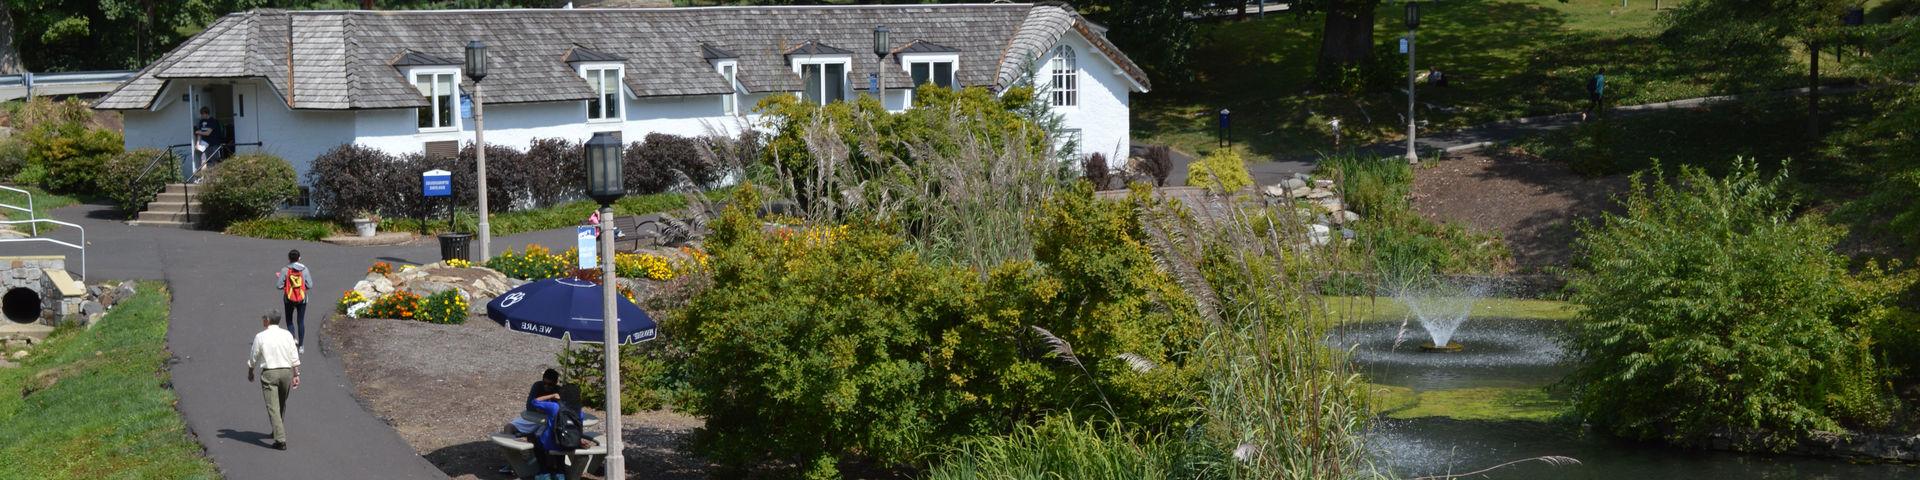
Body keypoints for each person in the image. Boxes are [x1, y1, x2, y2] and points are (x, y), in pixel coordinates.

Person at [246, 311, 300, 451]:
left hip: (270, 373)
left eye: (264, 318)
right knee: (281, 403)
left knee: (273, 407)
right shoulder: (287, 334)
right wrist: (296, 374)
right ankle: (277, 429)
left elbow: (254, 355)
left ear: (268, 320)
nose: (263, 320)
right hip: (286, 372)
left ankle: (280, 440)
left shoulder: (261, 336)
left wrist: (251, 370)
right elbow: (293, 354)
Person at [277, 250, 313, 353]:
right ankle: (301, 346)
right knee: (300, 321)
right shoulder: (304, 269)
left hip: (288, 298)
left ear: (289, 258)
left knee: (289, 320)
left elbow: (278, 286)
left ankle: (293, 339)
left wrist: (287, 284)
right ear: (299, 258)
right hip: (302, 299)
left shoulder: (284, 270)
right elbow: (310, 285)